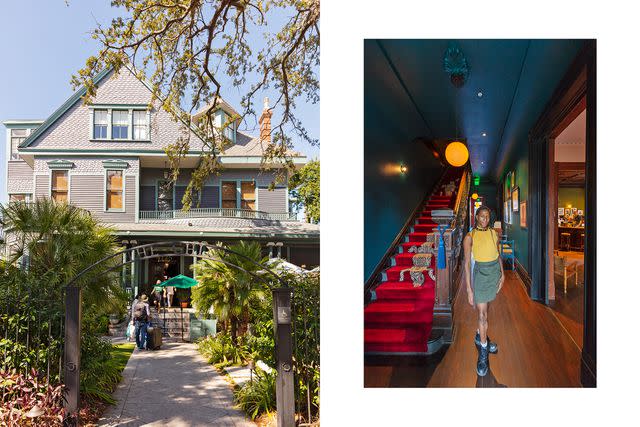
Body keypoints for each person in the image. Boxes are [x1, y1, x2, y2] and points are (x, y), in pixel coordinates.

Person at [463, 205, 505, 376]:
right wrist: (469, 289)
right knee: (482, 314)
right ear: (476, 217)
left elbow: (498, 253)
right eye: (482, 216)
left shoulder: (494, 233)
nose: (485, 219)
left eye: (487, 216)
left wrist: (503, 275)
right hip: (480, 274)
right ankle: (483, 351)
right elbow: (466, 264)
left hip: (494, 272)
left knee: (486, 309)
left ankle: (481, 335)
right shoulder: (469, 237)